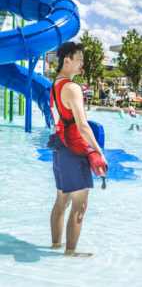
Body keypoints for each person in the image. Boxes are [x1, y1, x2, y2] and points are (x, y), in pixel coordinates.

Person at [47, 41, 107, 257]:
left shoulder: (55, 84)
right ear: (67, 60)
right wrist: (98, 151)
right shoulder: (72, 88)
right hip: (74, 149)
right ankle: (70, 252)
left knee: (61, 201)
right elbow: (82, 126)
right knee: (80, 205)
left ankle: (56, 245)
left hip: (59, 145)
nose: (82, 63)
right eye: (79, 59)